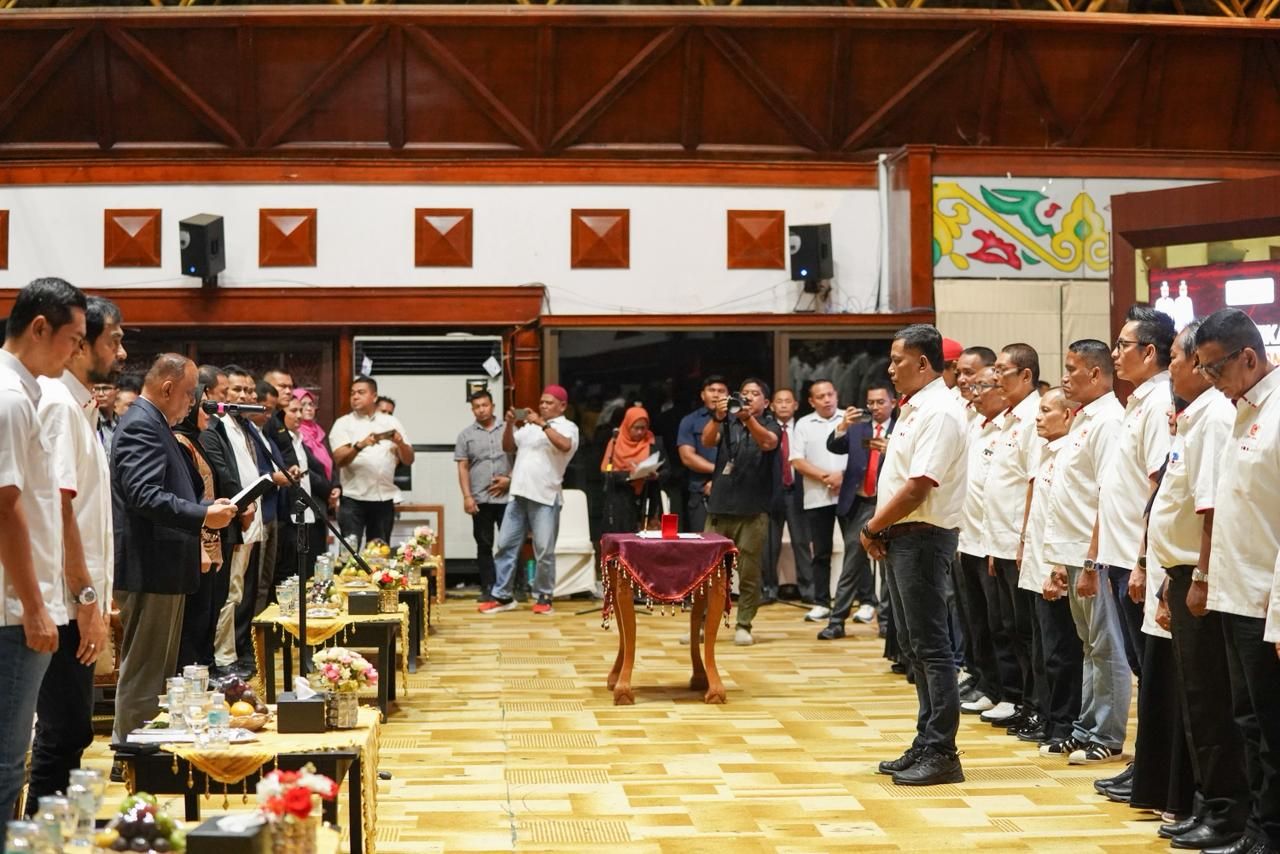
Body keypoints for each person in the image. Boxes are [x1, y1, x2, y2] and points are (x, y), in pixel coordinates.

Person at [860, 324, 968, 786]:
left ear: (923, 363)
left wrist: (872, 526)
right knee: (913, 646)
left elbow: (919, 486)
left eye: (897, 359)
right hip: (904, 537)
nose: (890, 368)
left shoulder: (940, 411)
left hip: (924, 537)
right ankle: (926, 740)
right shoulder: (916, 407)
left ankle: (943, 751)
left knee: (932, 647)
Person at [110, 354, 237, 745]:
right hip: (150, 566)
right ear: (167, 388)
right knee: (145, 674)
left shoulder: (156, 423)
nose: (192, 403)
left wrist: (205, 508)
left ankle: (146, 751)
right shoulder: (142, 425)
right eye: (188, 394)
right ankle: (130, 756)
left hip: (163, 566)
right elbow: (144, 495)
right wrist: (203, 515)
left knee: (158, 673)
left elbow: (170, 489)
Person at [28, 296, 122, 809]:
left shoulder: (80, 407)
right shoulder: (60, 405)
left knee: (71, 730)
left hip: (77, 597)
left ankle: (54, 832)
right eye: (115, 340)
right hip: (64, 602)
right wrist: (86, 597)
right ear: (82, 345)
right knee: (62, 731)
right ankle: (42, 835)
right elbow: (59, 506)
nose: (121, 352)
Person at [0, 277, 87, 821]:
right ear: (39, 327)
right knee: (7, 763)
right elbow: (6, 507)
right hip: (14, 609)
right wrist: (35, 607)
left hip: (19, 602)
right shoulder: (11, 398)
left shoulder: (22, 392)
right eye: (73, 339)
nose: (75, 351)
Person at [1195, 308, 1280, 854]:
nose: (1210, 380)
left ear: (1248, 357)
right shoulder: (1240, 410)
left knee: (1272, 728)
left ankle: (1271, 834)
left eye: (1215, 368)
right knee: (1248, 721)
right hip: (1235, 594)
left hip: (1266, 601)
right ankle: (1256, 829)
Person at [1040, 340, 1127, 764]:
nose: (1064, 377)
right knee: (1089, 645)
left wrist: (1093, 559)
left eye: (1072, 369)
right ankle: (1086, 726)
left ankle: (1107, 735)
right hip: (1074, 551)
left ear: (1095, 373)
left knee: (1106, 647)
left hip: (1096, 555)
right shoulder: (1084, 419)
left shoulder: (1109, 420)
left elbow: (1108, 496)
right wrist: (1062, 558)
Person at [980, 343, 1044, 738]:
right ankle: (1022, 701)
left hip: (1019, 545)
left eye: (1002, 370)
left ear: (1026, 375)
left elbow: (1033, 483)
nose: (995, 377)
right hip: (999, 542)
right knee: (1010, 626)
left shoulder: (1035, 417)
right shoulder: (1009, 418)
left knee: (1028, 629)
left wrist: (1022, 540)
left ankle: (1037, 706)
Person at [478, 385, 580, 615]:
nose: (543, 405)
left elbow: (565, 445)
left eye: (549, 402)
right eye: (541, 402)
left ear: (562, 406)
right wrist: (510, 424)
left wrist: (543, 424)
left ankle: (544, 595)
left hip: (545, 496)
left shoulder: (568, 427)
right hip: (518, 495)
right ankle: (503, 596)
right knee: (505, 545)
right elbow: (508, 447)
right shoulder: (529, 427)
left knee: (543, 550)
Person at [1023, 388, 1084, 752]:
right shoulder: (1046, 451)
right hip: (1037, 564)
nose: (1038, 417)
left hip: (1056, 566)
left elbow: (1065, 516)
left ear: (1068, 415)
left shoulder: (1068, 455)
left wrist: (1058, 564)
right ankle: (1048, 717)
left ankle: (1065, 723)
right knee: (1044, 651)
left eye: (1046, 410)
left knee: (1063, 652)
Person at [701, 378, 781, 646]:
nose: (748, 397)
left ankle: (744, 624)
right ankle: (703, 624)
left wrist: (748, 419)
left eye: (755, 394)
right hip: (720, 506)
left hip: (753, 510)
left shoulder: (770, 424)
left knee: (748, 572)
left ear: (766, 402)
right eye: (744, 393)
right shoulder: (728, 422)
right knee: (708, 571)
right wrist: (717, 416)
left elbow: (768, 443)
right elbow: (707, 440)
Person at [955, 366, 1015, 717]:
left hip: (993, 541)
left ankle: (1009, 692)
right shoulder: (977, 425)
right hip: (969, 538)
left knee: (1001, 624)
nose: (974, 393)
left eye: (982, 386)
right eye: (972, 386)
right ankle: (987, 684)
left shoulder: (1009, 427)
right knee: (976, 621)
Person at [819, 383, 896, 640]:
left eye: (880, 402)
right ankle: (836, 622)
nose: (875, 407)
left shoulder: (902, 429)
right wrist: (843, 425)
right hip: (860, 503)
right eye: (870, 402)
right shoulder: (858, 428)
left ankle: (886, 623)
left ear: (893, 403)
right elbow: (834, 446)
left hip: (889, 504)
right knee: (851, 562)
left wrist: (892, 450)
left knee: (887, 566)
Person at [175, 383, 225, 670]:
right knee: (196, 617)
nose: (209, 412)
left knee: (209, 612)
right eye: (203, 406)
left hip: (210, 535)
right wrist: (200, 548)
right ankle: (195, 674)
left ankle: (207, 668)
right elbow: (186, 498)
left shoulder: (197, 440)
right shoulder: (181, 442)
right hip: (196, 539)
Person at [330, 376, 414, 546]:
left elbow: (409, 459)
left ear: (374, 396)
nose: (355, 397)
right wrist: (360, 446)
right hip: (353, 499)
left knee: (379, 552)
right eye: (352, 393)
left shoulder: (391, 422)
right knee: (350, 553)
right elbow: (339, 459)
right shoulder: (343, 423)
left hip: (383, 499)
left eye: (361, 392)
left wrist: (400, 443)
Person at [788, 378, 847, 620]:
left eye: (830, 394)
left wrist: (842, 477)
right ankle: (821, 601)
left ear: (836, 395)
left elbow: (861, 455)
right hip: (817, 496)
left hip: (849, 495)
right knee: (821, 552)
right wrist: (827, 477)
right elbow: (797, 460)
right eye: (820, 397)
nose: (827, 400)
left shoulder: (849, 419)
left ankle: (866, 601)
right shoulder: (803, 424)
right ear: (812, 401)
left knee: (856, 548)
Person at [454, 389, 512, 603]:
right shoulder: (465, 435)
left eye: (485, 405)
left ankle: (513, 586)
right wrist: (467, 496)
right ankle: (488, 587)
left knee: (509, 543)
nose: (481, 410)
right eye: (476, 407)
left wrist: (510, 480)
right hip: (481, 498)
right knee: (484, 544)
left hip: (508, 498)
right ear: (472, 410)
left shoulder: (508, 429)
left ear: (493, 406)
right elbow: (463, 467)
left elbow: (520, 458)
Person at [762, 388, 805, 605]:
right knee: (769, 545)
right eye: (779, 401)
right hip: (772, 492)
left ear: (795, 405)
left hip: (798, 491)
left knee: (801, 542)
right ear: (772, 406)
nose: (784, 405)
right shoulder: (766, 428)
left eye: (788, 401)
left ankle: (808, 589)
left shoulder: (804, 427)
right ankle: (768, 589)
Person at [599, 405, 664, 534]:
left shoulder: (652, 442)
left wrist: (656, 475)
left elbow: (666, 470)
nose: (640, 432)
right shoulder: (615, 442)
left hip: (646, 497)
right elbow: (606, 470)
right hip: (620, 499)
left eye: (643, 428)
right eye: (636, 428)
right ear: (628, 425)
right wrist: (629, 475)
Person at [676, 376, 727, 535]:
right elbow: (687, 457)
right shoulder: (690, 421)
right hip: (700, 491)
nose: (716, 395)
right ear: (703, 395)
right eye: (711, 390)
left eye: (721, 391)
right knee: (701, 541)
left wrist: (719, 479)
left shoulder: (736, 420)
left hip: (732, 492)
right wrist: (717, 471)